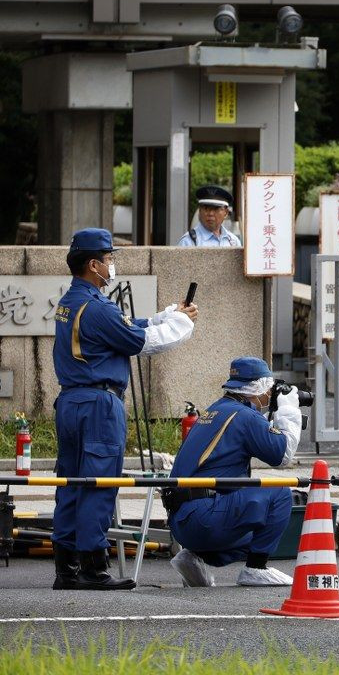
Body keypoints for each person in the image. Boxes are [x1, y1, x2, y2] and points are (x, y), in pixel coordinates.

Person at [52, 228, 198, 590]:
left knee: (70, 483)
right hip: (99, 404)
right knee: (99, 484)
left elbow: (125, 326)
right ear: (93, 264)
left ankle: (66, 570)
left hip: (71, 401)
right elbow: (138, 341)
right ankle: (93, 569)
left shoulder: (71, 301)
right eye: (109, 259)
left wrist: (166, 314)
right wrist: (181, 324)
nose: (112, 265)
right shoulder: (98, 307)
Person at [165, 357, 302, 587]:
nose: (269, 397)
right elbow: (282, 455)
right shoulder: (245, 416)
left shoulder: (216, 410)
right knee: (279, 492)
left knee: (257, 532)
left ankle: (192, 558)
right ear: (256, 388)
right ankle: (256, 569)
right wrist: (288, 409)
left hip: (181, 523)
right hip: (205, 518)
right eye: (268, 390)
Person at [177, 185, 242, 247]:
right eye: (206, 208)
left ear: (226, 213)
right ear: (200, 211)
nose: (210, 213)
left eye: (216, 209)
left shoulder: (233, 241)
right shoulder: (188, 242)